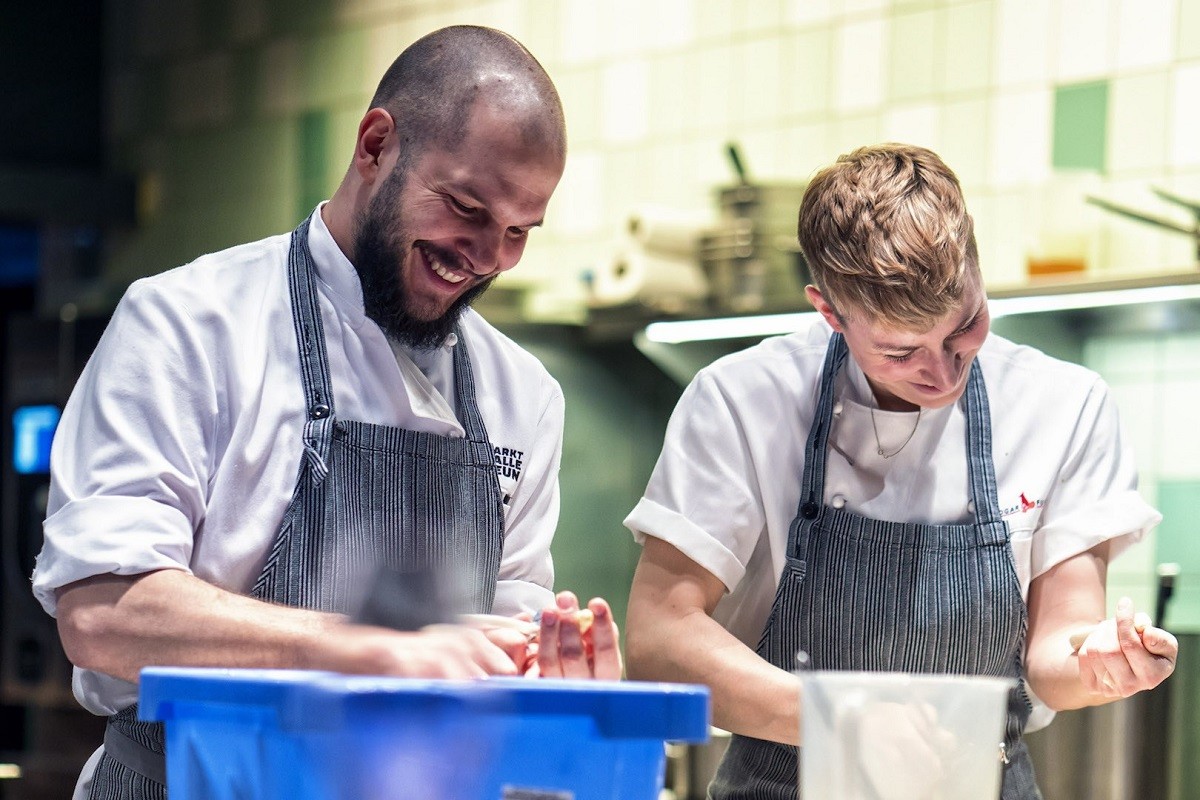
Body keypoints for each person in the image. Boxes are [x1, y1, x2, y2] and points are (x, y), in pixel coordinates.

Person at [30, 25, 620, 800]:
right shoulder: (188, 324)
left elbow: (500, 666)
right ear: (376, 146)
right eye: (466, 207)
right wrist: (369, 649)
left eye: (518, 232)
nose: (486, 257)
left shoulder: (525, 395)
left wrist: (561, 685)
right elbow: (103, 614)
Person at [623, 143, 1177, 799]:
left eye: (964, 327)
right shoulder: (742, 401)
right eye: (900, 350)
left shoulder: (1064, 405)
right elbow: (659, 638)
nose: (942, 373)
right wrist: (840, 722)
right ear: (829, 313)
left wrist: (1099, 661)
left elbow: (1056, 651)